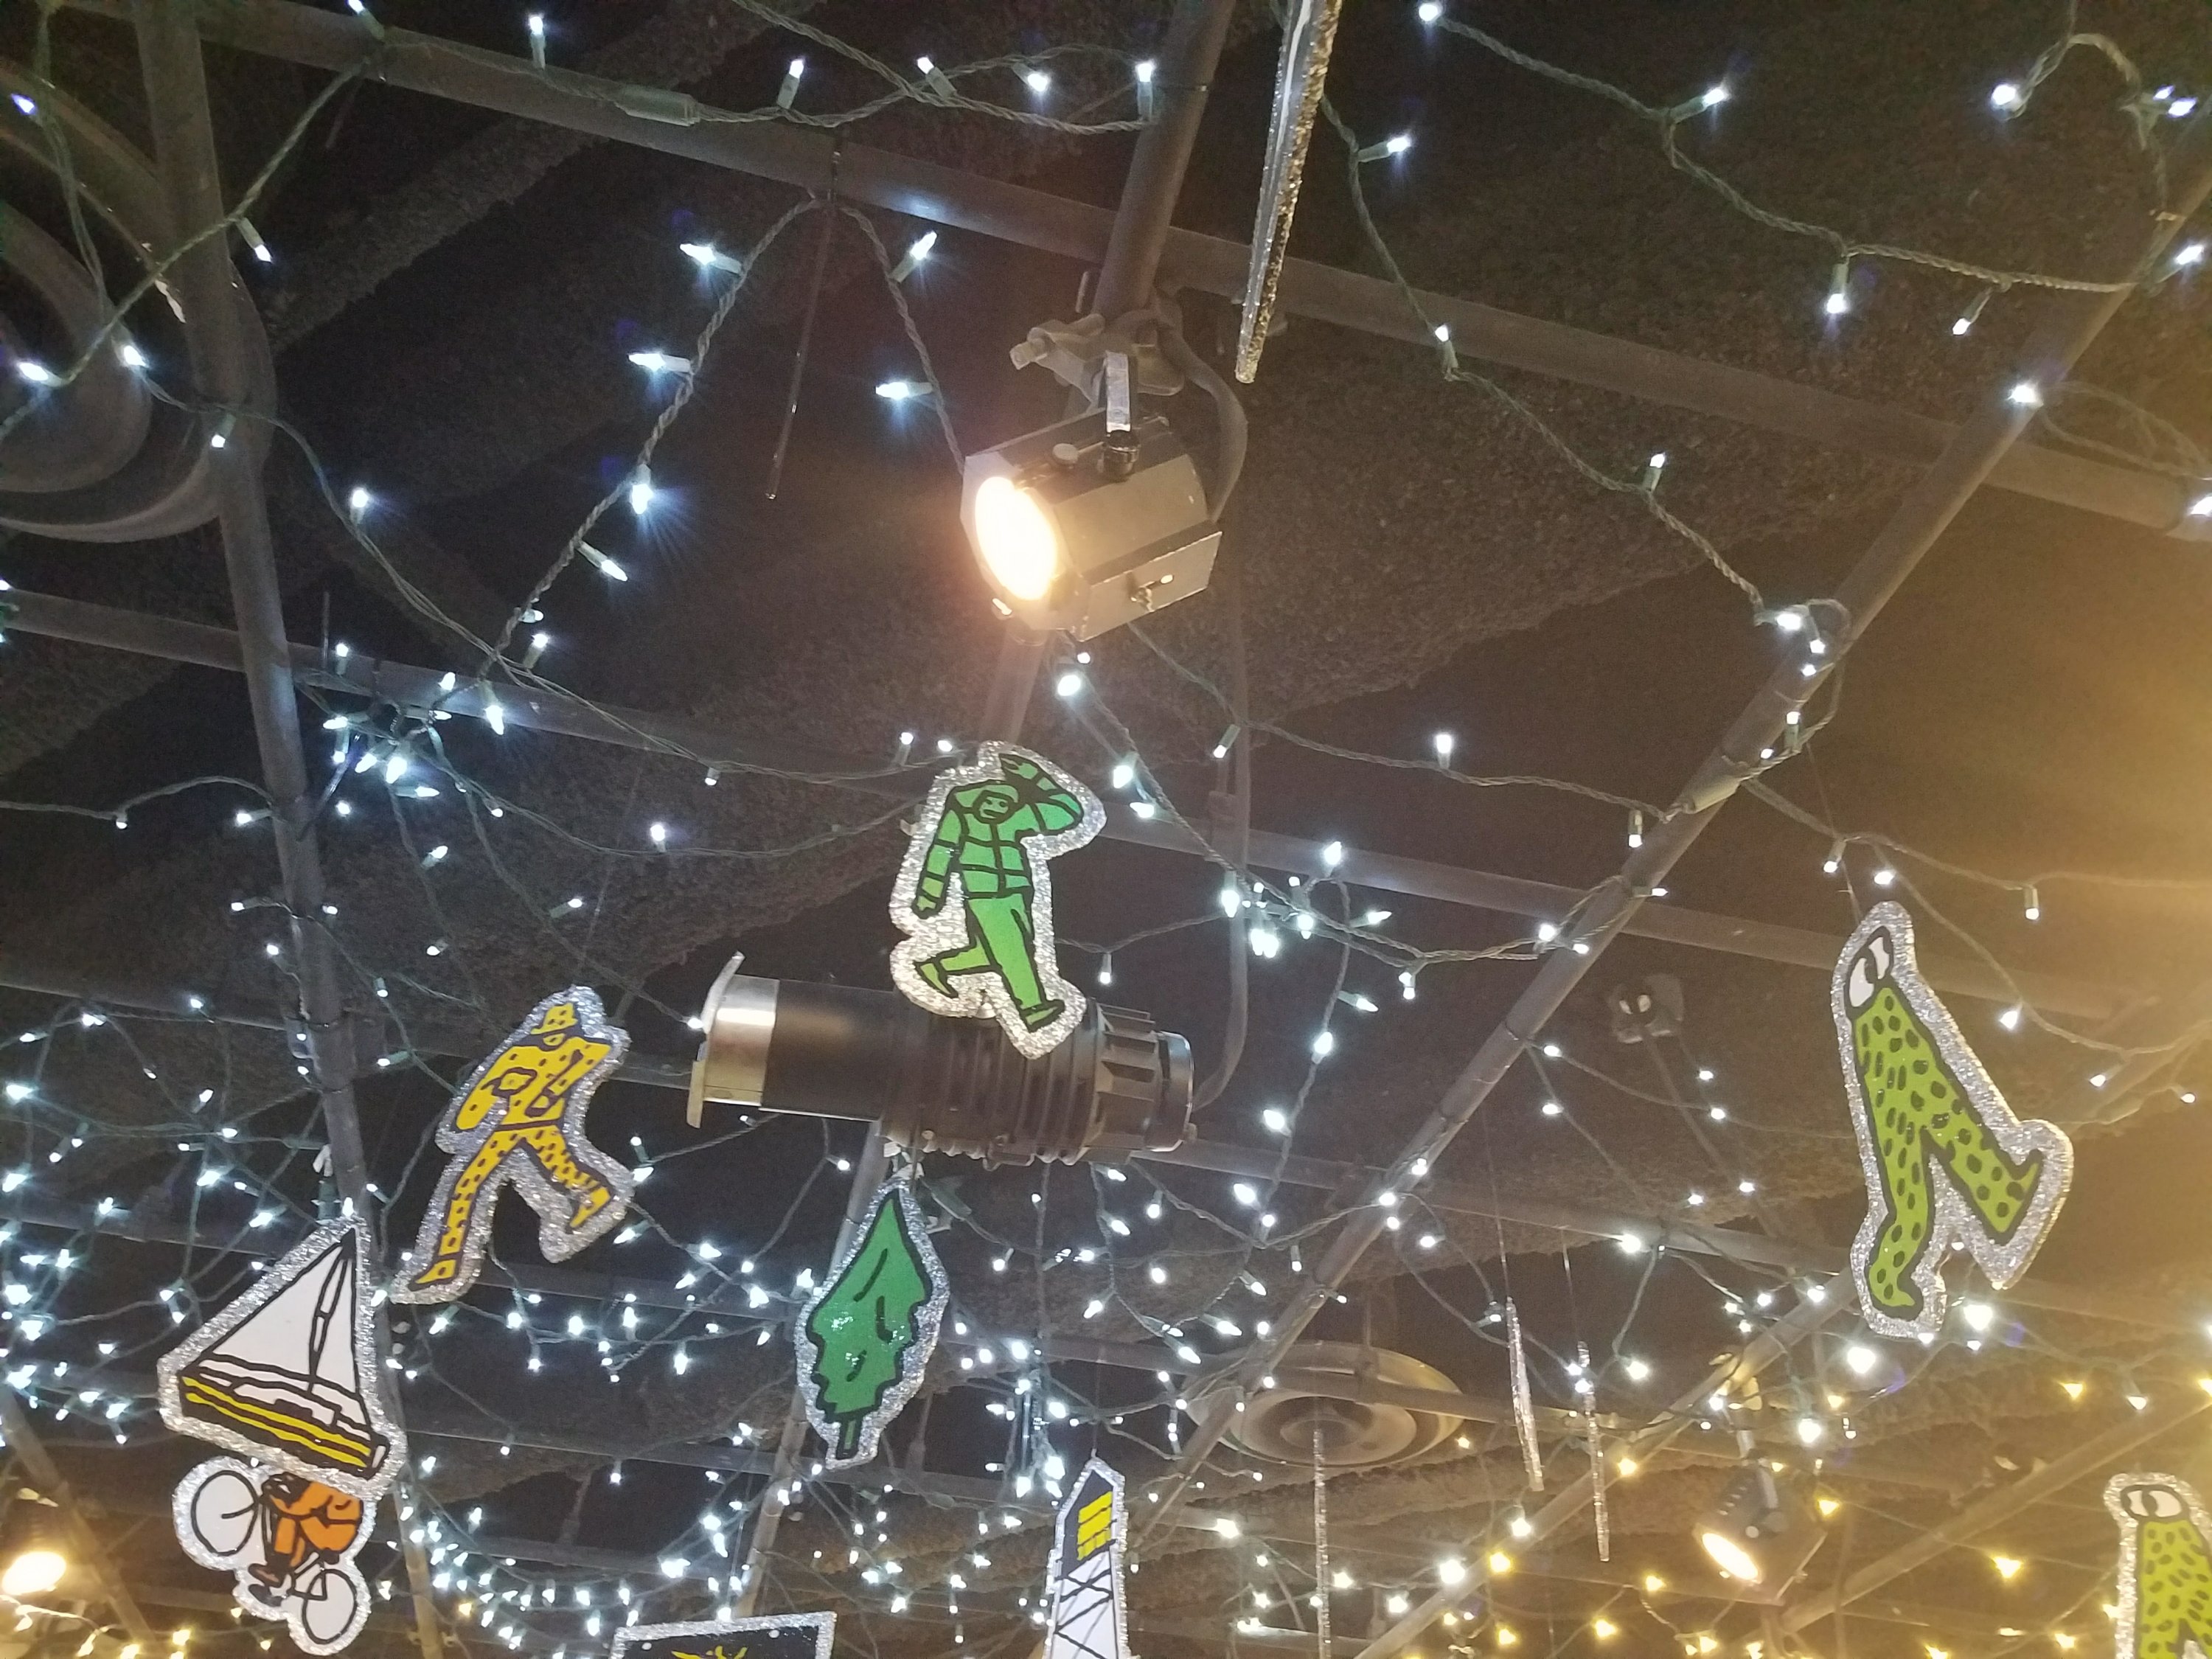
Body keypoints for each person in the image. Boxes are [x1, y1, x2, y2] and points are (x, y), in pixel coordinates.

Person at [908, 753, 1085, 1032]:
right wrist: (930, 893)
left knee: (994, 954)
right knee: (1014, 951)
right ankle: (1033, 1009)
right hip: (985, 897)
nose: (995, 807)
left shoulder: (1015, 821)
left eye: (1003, 804)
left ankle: (936, 966)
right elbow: (942, 851)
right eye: (989, 801)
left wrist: (1035, 778)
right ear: (978, 801)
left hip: (1018, 894)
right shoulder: (961, 819)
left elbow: (1069, 811)